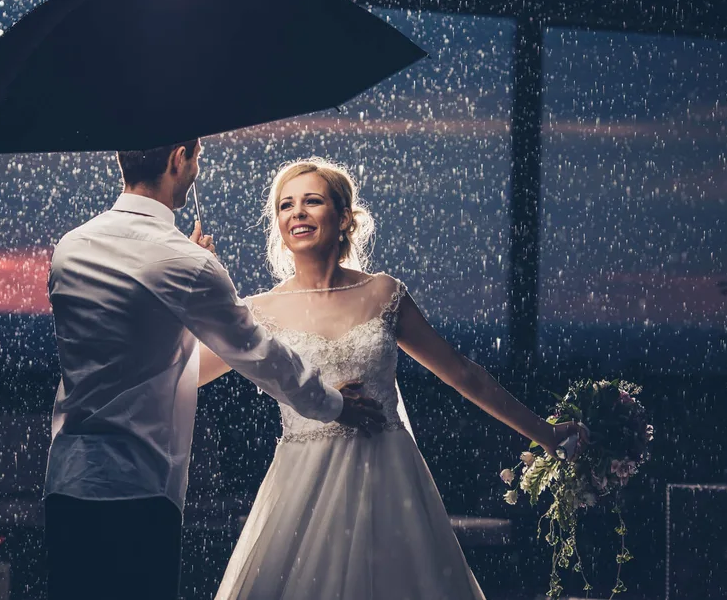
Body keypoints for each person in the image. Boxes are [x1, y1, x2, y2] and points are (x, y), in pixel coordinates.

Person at [200, 157, 589, 600]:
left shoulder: (384, 293)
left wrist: (545, 433)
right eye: (286, 206)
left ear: (343, 216)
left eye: (312, 201)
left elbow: (463, 373)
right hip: (302, 487)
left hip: (389, 481)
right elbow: (186, 374)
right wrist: (200, 285)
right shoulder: (259, 311)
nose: (297, 213)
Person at [43, 141, 386, 600]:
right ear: (176, 159)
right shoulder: (187, 264)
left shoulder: (71, 248)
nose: (195, 171)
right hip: (141, 487)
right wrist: (334, 404)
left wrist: (185, 272)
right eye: (196, 159)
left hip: (68, 483)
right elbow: (259, 354)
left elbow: (127, 348)